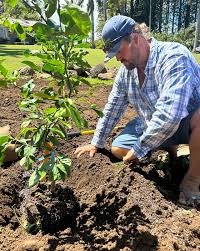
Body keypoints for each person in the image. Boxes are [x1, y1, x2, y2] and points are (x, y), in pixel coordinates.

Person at [75, 15, 200, 207]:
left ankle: (193, 178)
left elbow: (170, 114)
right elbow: (112, 107)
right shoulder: (126, 73)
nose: (117, 58)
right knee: (118, 148)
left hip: (187, 123)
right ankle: (170, 153)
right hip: (153, 124)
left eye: (119, 51)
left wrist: (140, 148)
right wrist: (96, 143)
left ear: (135, 38)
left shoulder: (173, 56)